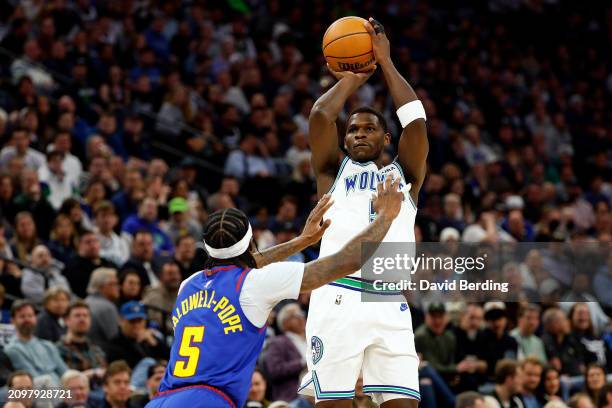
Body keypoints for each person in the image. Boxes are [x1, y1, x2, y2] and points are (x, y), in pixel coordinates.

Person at [145, 176, 404, 408]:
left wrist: (301, 241)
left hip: (161, 399)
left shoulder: (188, 284)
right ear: (250, 242)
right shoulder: (253, 284)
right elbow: (345, 262)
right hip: (207, 400)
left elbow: (242, 263)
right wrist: (386, 216)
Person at [300, 18, 427, 408]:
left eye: (369, 129)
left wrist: (386, 64)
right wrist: (355, 77)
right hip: (337, 295)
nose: (358, 134)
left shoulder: (403, 176)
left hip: (390, 302)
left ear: (386, 139)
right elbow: (321, 116)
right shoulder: (331, 172)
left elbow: (417, 123)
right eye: (353, 129)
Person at [4, 300, 68, 387]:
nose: (27, 319)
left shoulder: (48, 345)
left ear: (36, 318)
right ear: (13, 321)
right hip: (42, 394)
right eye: (22, 316)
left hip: (64, 391)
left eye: (30, 316)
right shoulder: (12, 349)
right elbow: (35, 381)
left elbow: (66, 373)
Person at [263, 302, 307, 402]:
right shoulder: (277, 343)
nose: (301, 318)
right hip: (291, 399)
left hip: (315, 397)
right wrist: (302, 363)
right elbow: (274, 370)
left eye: (302, 314)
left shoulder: (311, 341)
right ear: (285, 322)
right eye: (296, 315)